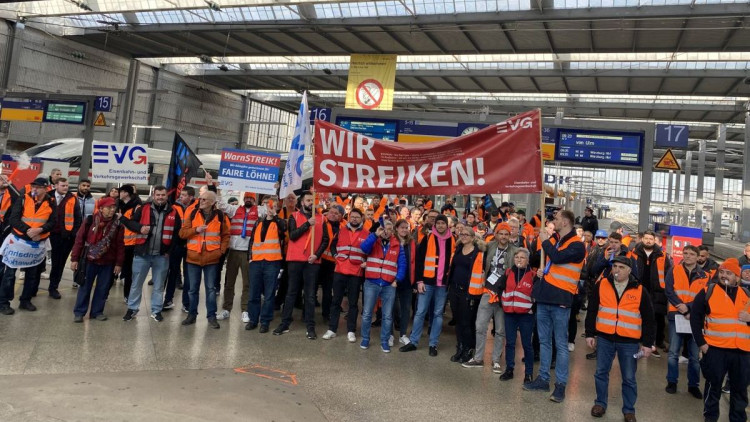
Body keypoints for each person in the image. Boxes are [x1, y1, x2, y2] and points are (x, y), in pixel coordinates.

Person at [524, 209, 586, 403]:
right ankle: (543, 378)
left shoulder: (577, 245)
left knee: (560, 344)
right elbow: (547, 261)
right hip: (545, 297)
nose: (554, 221)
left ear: (566, 221)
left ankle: (560, 385)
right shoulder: (558, 240)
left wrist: (545, 240)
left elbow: (558, 257)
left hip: (561, 300)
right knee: (544, 342)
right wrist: (544, 272)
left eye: (557, 218)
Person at [585, 256, 655, 422]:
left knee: (629, 377)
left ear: (629, 270)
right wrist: (589, 333)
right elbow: (592, 310)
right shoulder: (602, 285)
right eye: (615, 266)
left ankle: (629, 410)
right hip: (605, 338)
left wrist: (647, 344)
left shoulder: (639, 290)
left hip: (629, 342)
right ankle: (600, 403)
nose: (617, 269)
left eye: (621, 267)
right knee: (601, 372)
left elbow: (649, 318)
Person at [690, 258, 750, 422]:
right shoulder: (708, 291)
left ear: (737, 277)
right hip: (715, 349)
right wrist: (702, 343)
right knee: (713, 387)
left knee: (740, 389)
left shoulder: (746, 295)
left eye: (729, 273)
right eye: (722, 272)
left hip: (742, 351)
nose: (724, 276)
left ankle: (738, 419)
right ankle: (710, 418)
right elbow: (695, 318)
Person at [274, 191, 330, 340]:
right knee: (291, 292)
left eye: (313, 200)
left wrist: (317, 255)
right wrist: (307, 224)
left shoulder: (322, 218)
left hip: (312, 261)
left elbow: (326, 240)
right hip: (295, 260)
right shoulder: (294, 216)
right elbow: (292, 235)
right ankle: (285, 323)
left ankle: (310, 326)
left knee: (311, 295)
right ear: (302, 202)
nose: (311, 202)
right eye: (308, 200)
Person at [462, 222, 516, 372]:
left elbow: (525, 259)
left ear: (510, 235)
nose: (503, 236)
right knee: (480, 325)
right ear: (496, 234)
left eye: (506, 234)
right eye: (501, 233)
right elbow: (473, 241)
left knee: (500, 329)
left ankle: (496, 360)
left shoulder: (515, 250)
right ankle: (478, 358)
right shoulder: (489, 246)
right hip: (487, 292)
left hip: (503, 295)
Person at [121, 186, 180, 323]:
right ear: (154, 195)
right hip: (142, 254)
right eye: (158, 195)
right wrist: (140, 228)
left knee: (159, 285)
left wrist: (169, 251)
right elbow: (130, 223)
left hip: (162, 256)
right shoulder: (143, 208)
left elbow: (177, 233)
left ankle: (156, 310)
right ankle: (132, 309)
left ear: (167, 196)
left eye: (163, 195)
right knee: (136, 283)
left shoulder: (173, 211)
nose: (160, 197)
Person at [400, 214, 455, 356]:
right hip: (427, 283)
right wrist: (419, 281)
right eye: (439, 223)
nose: (441, 226)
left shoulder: (453, 240)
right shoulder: (427, 238)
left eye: (443, 223)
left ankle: (433, 344)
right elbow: (419, 261)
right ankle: (413, 342)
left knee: (437, 314)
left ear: (447, 225)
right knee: (420, 312)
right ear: (435, 225)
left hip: (442, 284)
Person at [0, 178, 56, 314]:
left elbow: (53, 222)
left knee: (32, 274)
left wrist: (40, 230)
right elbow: (14, 219)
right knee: (10, 274)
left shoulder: (51, 202)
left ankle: (25, 300)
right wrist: (28, 231)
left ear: (45, 188)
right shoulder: (23, 198)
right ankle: (3, 303)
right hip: (18, 241)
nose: (34, 189)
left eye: (37, 187)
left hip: (37, 243)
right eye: (33, 186)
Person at [179, 191, 230, 329]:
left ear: (213, 202)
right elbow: (182, 233)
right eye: (201, 199)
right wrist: (196, 230)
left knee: (211, 289)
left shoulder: (220, 216)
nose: (201, 201)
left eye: (205, 200)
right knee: (192, 289)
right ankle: (192, 315)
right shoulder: (193, 214)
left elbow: (226, 235)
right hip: (193, 258)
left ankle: (212, 316)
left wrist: (221, 251)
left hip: (212, 258)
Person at [663, 245, 707, 398]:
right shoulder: (673, 270)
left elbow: (704, 297)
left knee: (694, 355)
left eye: (691, 254)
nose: (687, 256)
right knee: (673, 352)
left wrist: (688, 308)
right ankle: (672, 382)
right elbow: (668, 291)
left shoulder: (704, 276)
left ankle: (693, 385)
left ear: (697, 257)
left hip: (694, 318)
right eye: (685, 253)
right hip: (676, 315)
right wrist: (681, 307)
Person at [71, 197, 124, 322]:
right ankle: (79, 312)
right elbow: (79, 240)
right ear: (101, 208)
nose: (112, 210)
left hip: (108, 262)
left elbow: (120, 246)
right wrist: (75, 259)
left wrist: (119, 263)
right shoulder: (90, 220)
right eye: (109, 208)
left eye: (113, 207)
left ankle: (97, 311)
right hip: (89, 260)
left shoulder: (118, 224)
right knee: (85, 287)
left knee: (103, 288)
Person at [359, 220, 406, 352]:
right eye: (383, 228)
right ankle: (365, 339)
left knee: (387, 315)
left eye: (389, 229)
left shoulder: (397, 245)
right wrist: (375, 235)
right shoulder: (373, 240)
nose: (386, 231)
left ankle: (384, 341)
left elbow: (402, 264)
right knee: (367, 313)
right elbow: (363, 248)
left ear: (393, 231)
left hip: (389, 285)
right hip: (371, 282)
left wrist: (397, 280)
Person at [323, 207, 368, 342]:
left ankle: (351, 331)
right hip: (340, 270)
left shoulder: (366, 234)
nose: (354, 219)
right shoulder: (341, 231)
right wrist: (336, 256)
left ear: (361, 219)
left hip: (356, 271)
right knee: (336, 301)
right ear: (349, 218)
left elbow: (371, 251)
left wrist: (365, 262)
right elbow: (332, 245)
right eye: (352, 217)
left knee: (353, 303)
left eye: (357, 217)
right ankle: (332, 329)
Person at [215, 191, 261, 322]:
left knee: (247, 283)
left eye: (250, 198)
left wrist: (275, 190)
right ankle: (226, 309)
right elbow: (223, 205)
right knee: (229, 282)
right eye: (246, 197)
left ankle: (245, 310)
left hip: (249, 252)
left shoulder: (259, 211)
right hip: (234, 251)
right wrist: (218, 189)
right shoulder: (234, 210)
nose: (248, 200)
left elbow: (272, 208)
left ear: (254, 200)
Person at [246, 197, 285, 333]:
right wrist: (250, 258)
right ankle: (253, 320)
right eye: (269, 205)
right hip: (256, 262)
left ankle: (265, 321)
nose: (271, 208)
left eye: (274, 206)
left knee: (269, 294)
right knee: (253, 294)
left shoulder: (279, 222)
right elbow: (252, 241)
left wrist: (276, 216)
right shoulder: (258, 222)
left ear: (277, 208)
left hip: (272, 262)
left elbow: (284, 230)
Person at [630, 230, 671, 357]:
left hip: (657, 292)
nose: (648, 241)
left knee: (657, 318)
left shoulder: (662, 255)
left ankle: (657, 341)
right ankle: (640, 339)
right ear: (642, 239)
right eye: (646, 238)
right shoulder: (634, 253)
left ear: (654, 241)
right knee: (638, 316)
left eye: (651, 239)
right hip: (639, 289)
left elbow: (668, 273)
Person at [447, 226, 485, 363]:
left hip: (468, 292)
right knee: (457, 320)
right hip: (454, 290)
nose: (463, 236)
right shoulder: (457, 250)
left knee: (467, 322)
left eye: (466, 235)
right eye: (461, 234)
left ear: (473, 237)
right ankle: (460, 347)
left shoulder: (478, 253)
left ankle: (468, 349)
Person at [47, 177, 82, 300]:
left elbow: (78, 218)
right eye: (63, 185)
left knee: (59, 263)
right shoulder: (48, 196)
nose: (66, 188)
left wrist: (72, 234)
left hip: (64, 237)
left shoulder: (72, 198)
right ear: (55, 186)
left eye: (67, 185)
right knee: (39, 263)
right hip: (47, 235)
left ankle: (53, 287)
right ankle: (32, 288)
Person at [165, 186, 195, 312]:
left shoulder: (197, 208)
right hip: (176, 244)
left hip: (190, 244)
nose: (181, 196)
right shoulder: (173, 207)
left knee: (189, 276)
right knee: (172, 273)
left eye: (184, 195)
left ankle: (186, 303)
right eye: (181, 194)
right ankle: (168, 300)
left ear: (191, 197)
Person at [319, 205, 344, 323]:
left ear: (340, 216)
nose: (334, 214)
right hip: (321, 260)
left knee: (329, 289)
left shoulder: (343, 227)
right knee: (316, 288)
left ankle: (327, 313)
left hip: (334, 262)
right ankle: (310, 313)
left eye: (336, 213)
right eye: (332, 212)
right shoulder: (322, 223)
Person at [393, 218, 415, 345]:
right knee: (391, 308)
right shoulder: (391, 241)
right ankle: (390, 334)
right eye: (402, 227)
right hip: (392, 279)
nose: (404, 230)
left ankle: (402, 334)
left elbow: (414, 261)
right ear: (397, 228)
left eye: (406, 227)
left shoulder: (411, 242)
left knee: (406, 308)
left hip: (407, 280)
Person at [118, 185, 142, 301]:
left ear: (126, 193)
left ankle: (127, 295)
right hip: (118, 242)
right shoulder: (119, 205)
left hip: (131, 243)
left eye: (121, 191)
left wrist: (122, 218)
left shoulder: (137, 207)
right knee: (114, 268)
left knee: (129, 271)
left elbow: (135, 226)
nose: (119, 194)